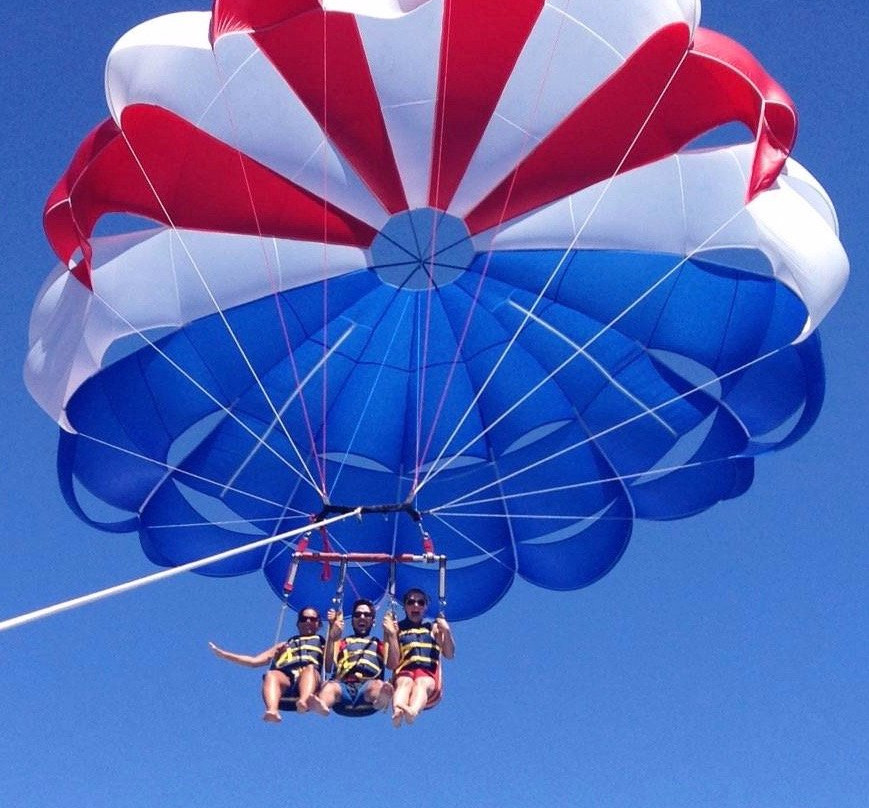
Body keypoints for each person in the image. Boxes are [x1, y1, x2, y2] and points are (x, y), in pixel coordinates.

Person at [209, 607, 325, 723]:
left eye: (312, 619)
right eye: (304, 619)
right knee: (271, 674)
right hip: (286, 685)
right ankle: (272, 710)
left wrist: (333, 627)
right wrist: (224, 655)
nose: (308, 622)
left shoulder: (322, 643)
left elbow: (330, 662)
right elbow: (254, 661)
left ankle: (304, 701)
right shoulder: (284, 645)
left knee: (309, 669)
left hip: (309, 680)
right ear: (298, 623)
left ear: (318, 624)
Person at [310, 598, 394, 716]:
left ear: (373, 621)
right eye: (357, 615)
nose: (362, 617)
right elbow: (328, 666)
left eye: (367, 615)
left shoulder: (379, 644)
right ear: (352, 620)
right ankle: (323, 704)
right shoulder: (342, 643)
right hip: (343, 689)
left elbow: (392, 664)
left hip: (367, 692)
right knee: (330, 687)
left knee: (378, 685)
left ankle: (380, 701)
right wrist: (332, 635)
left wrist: (392, 634)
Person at [384, 588, 455, 727]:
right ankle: (398, 711)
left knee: (422, 682)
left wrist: (446, 631)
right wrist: (391, 635)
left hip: (428, 676)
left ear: (425, 607)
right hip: (404, 672)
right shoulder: (396, 629)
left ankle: (413, 711)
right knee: (404, 681)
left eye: (420, 602)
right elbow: (391, 664)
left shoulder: (433, 628)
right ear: (405, 606)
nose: (415, 605)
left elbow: (449, 654)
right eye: (411, 602)